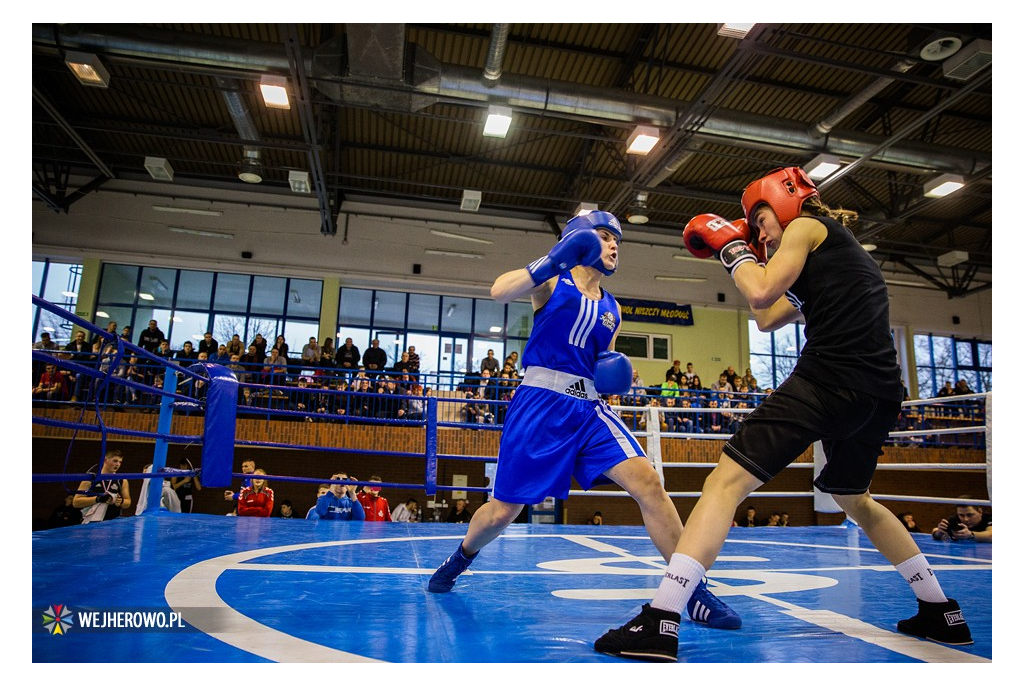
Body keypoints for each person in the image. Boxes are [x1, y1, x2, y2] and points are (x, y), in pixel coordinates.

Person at [596, 167, 972, 661]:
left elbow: (758, 292)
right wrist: (741, 254)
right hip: (879, 394)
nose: (760, 231)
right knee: (854, 498)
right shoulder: (838, 258)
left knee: (723, 484)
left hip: (829, 378)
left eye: (760, 218)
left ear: (785, 199)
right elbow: (769, 316)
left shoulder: (808, 228)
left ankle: (662, 617)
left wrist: (732, 248)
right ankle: (940, 609)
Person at [427, 210, 738, 633]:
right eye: (606, 236)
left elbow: (599, 363)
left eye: (617, 241)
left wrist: (615, 375)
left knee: (648, 483)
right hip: (539, 404)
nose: (613, 246)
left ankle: (691, 591)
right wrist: (553, 259)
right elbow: (499, 290)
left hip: (589, 408)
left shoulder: (613, 307)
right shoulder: (553, 281)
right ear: (581, 239)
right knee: (503, 511)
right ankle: (460, 557)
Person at [73, 450, 132, 523]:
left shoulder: (122, 480)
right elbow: (76, 502)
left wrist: (120, 502)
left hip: (113, 522)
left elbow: (128, 502)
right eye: (115, 461)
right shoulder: (91, 478)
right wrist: (97, 499)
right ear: (105, 460)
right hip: (92, 521)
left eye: (120, 462)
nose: (117, 464)